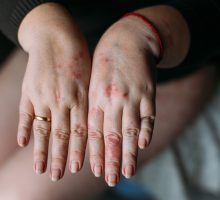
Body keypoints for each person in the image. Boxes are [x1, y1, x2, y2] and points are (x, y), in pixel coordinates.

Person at [0, 0, 220, 199]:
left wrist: (146, 33)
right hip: (57, 47)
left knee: (15, 195)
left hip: (165, 73)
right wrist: (39, 22)